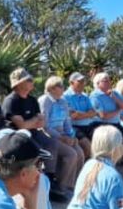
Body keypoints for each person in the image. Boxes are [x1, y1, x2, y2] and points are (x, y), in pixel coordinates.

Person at [6, 69, 83, 197]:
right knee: (69, 153)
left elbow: (42, 122)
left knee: (75, 151)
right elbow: (23, 126)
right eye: (29, 80)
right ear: (19, 83)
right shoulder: (12, 101)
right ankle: (56, 186)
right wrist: (35, 121)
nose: (32, 82)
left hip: (39, 133)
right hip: (19, 137)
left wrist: (71, 136)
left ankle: (57, 182)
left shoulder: (32, 100)